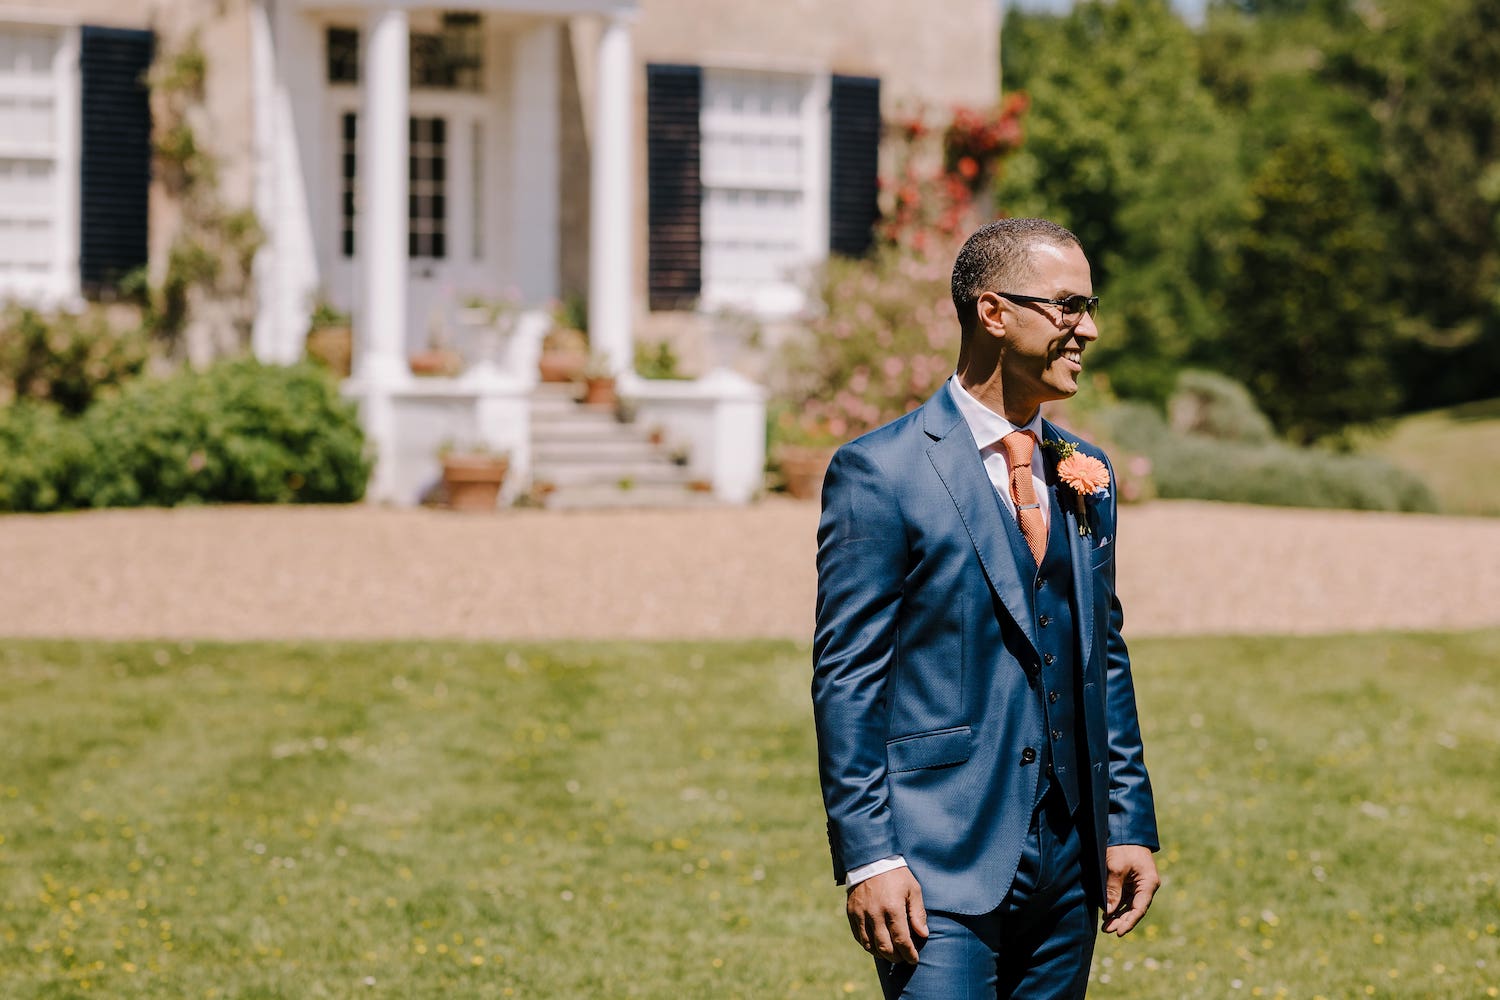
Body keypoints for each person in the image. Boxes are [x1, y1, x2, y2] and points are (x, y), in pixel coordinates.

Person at [812, 218, 1160, 999]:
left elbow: (1104, 653)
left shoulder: (1085, 470)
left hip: (1071, 865)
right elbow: (848, 679)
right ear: (993, 312)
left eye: (1090, 305)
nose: (1090, 329)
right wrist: (871, 855)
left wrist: (1127, 820)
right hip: (936, 862)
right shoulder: (880, 473)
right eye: (1068, 306)